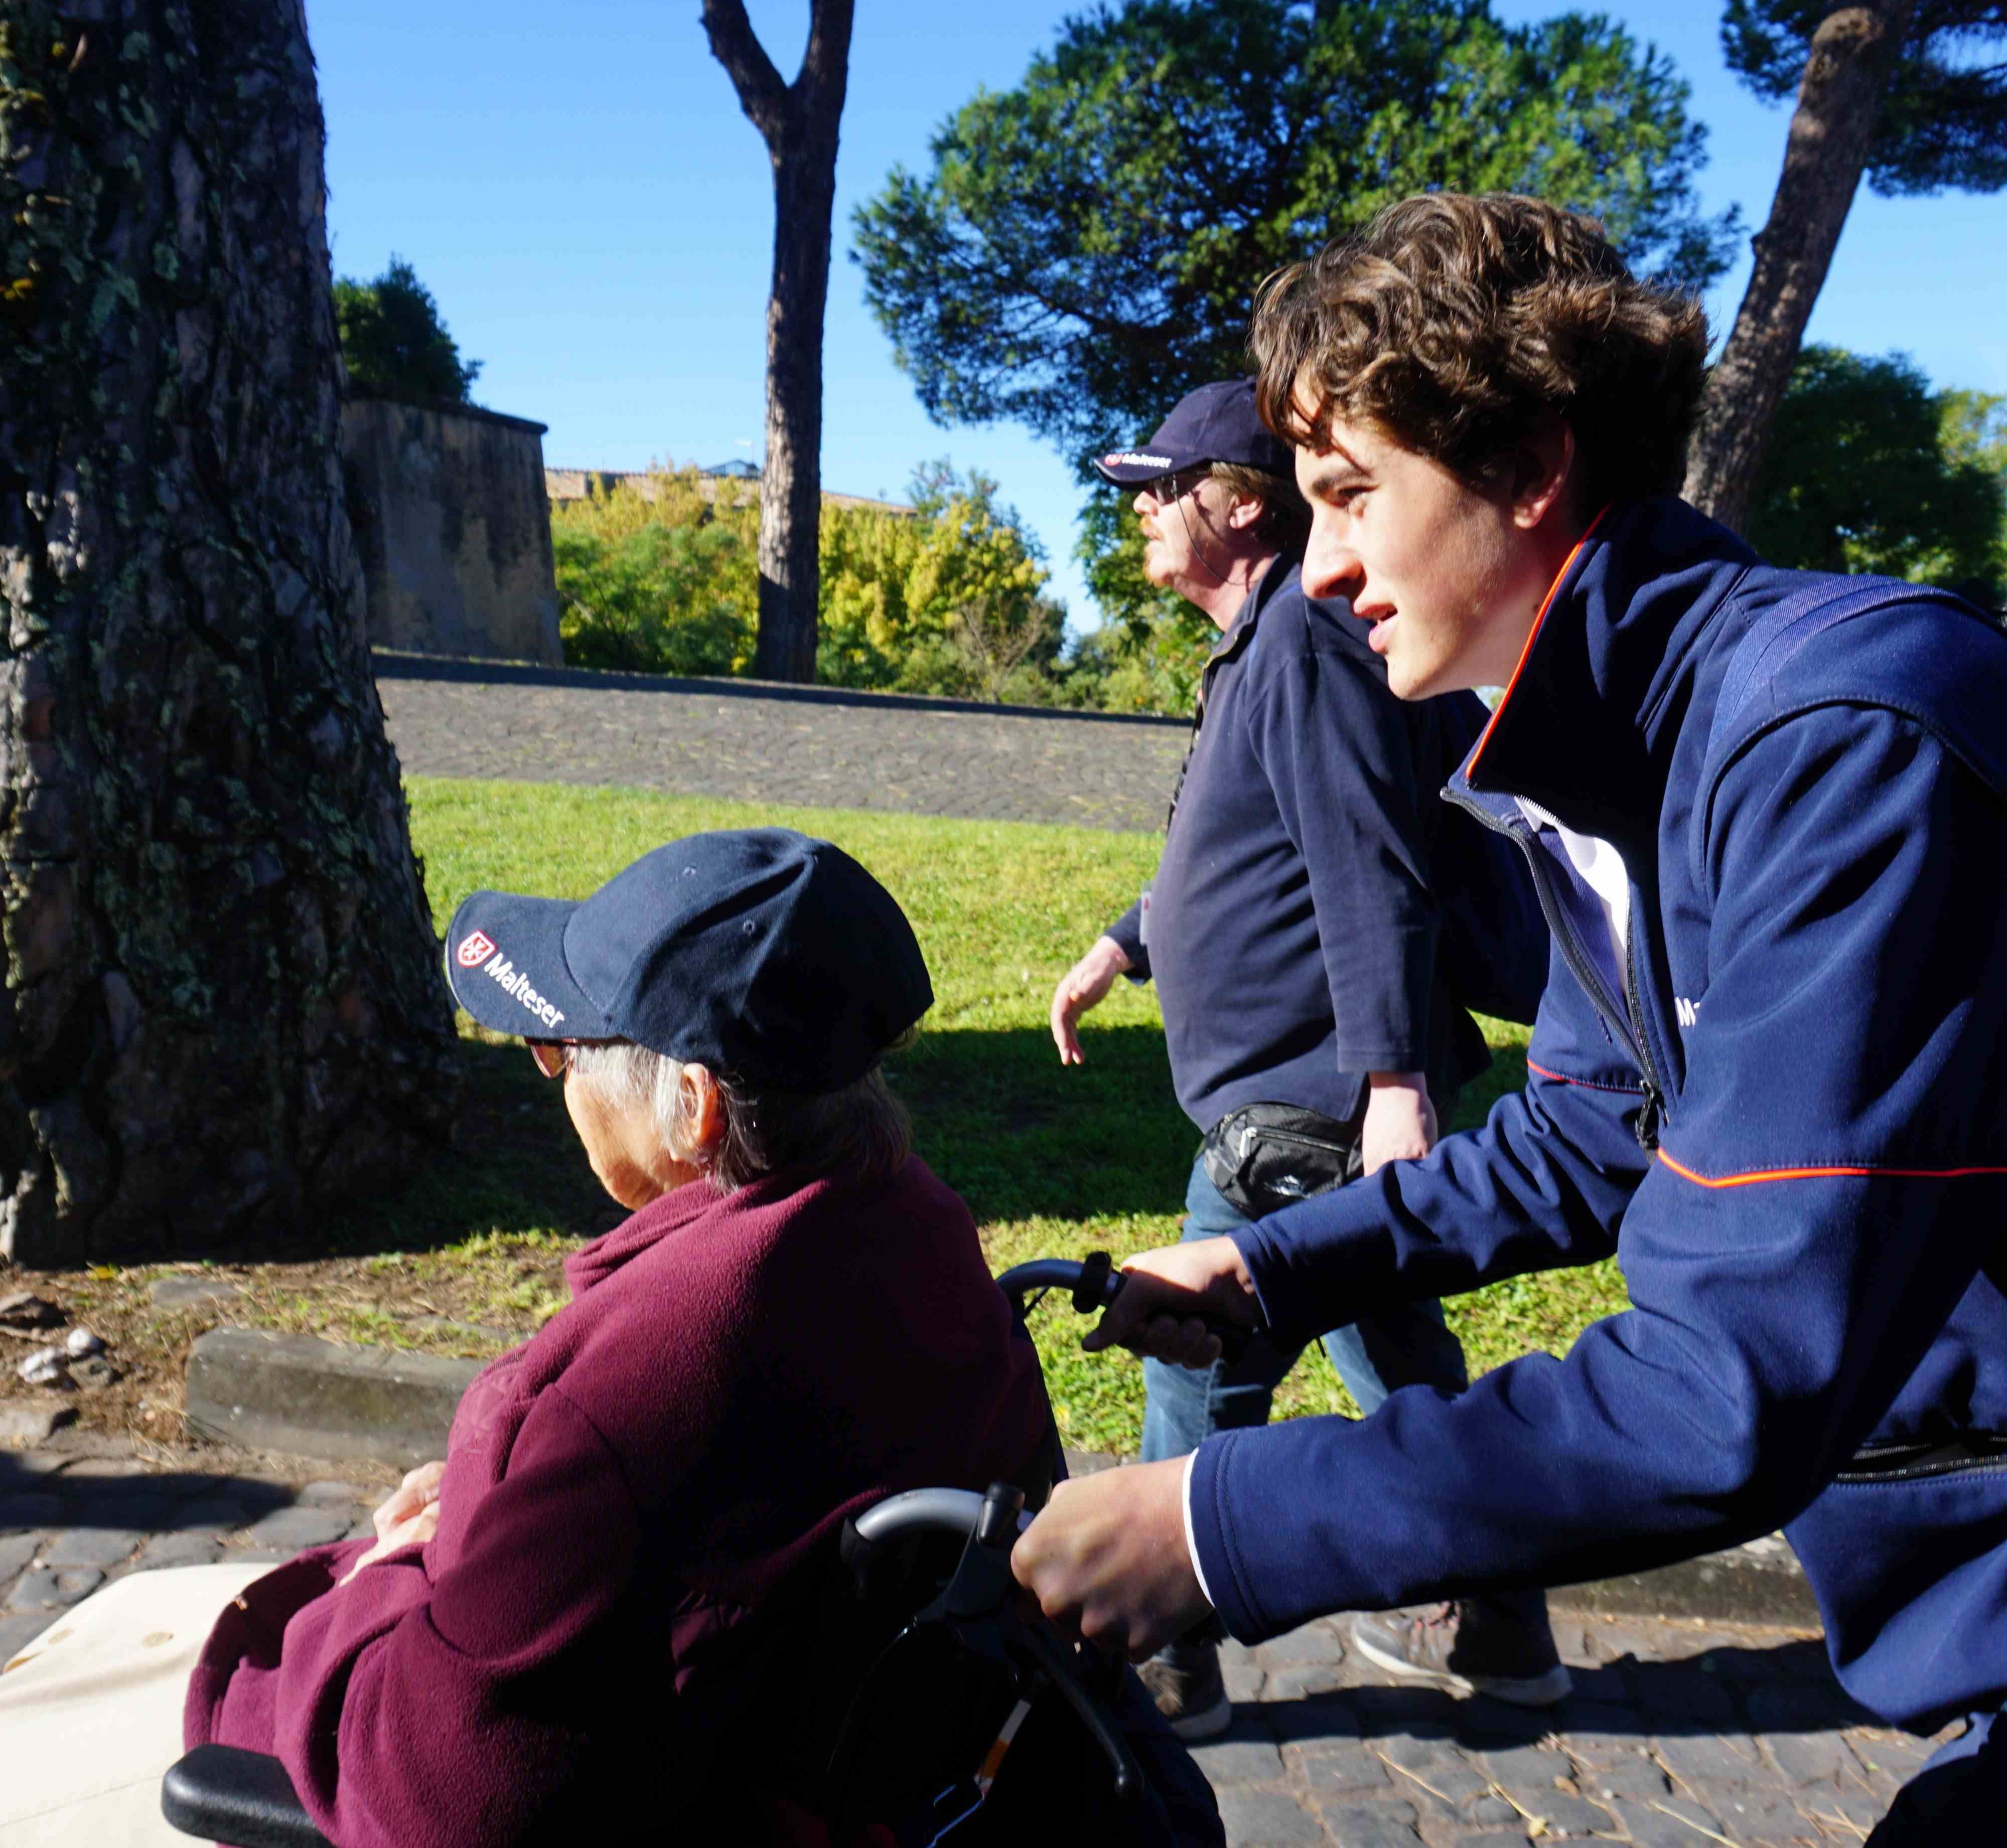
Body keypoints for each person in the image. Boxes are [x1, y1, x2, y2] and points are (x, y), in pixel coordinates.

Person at [1011, 193, 2007, 1842]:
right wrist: (1269, 1271)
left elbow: (1722, 1385)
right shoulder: (1615, 757)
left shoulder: (1841, 744)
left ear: (1533, 469)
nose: (1320, 567)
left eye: (1348, 497)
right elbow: (1585, 1134)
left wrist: (1211, 1527)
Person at [0, 830, 1053, 1847]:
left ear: (692, 1105)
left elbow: (446, 1798)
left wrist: (396, 1570)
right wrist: (512, 1522)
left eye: (560, 1051)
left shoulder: (626, 1387)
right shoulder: (923, 1233)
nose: (550, 1071)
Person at [1048, 379, 1556, 1732]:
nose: (1142, 513)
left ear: (1238, 500)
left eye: (1161, 487)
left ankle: (1163, 1653)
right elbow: (1252, 852)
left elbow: (1369, 864)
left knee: (1195, 1353)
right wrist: (1123, 945)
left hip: (1311, 1099)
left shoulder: (1311, 644)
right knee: (1397, 1372)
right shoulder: (1267, 641)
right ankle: (1500, 1622)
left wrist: (1391, 1080)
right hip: (1320, 1089)